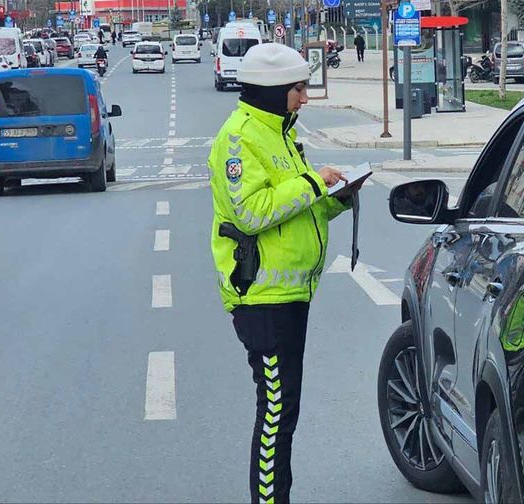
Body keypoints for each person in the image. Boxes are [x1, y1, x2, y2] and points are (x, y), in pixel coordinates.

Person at [208, 43, 363, 504]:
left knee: (284, 410)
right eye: (298, 89)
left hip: (290, 296)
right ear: (274, 92)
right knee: (276, 411)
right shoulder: (239, 140)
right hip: (261, 300)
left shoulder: (279, 134)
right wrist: (315, 181)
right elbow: (252, 213)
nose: (305, 98)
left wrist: (336, 198)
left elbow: (293, 212)